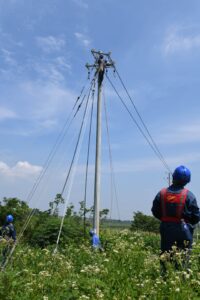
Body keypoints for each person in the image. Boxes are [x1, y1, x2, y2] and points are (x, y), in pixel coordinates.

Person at [152, 166, 200, 271]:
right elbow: (196, 216)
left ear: (173, 177)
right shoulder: (189, 196)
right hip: (184, 229)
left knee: (166, 256)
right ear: (187, 180)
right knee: (183, 257)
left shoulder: (162, 193)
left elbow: (155, 211)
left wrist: (165, 219)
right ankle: (182, 280)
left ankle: (165, 278)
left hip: (166, 228)